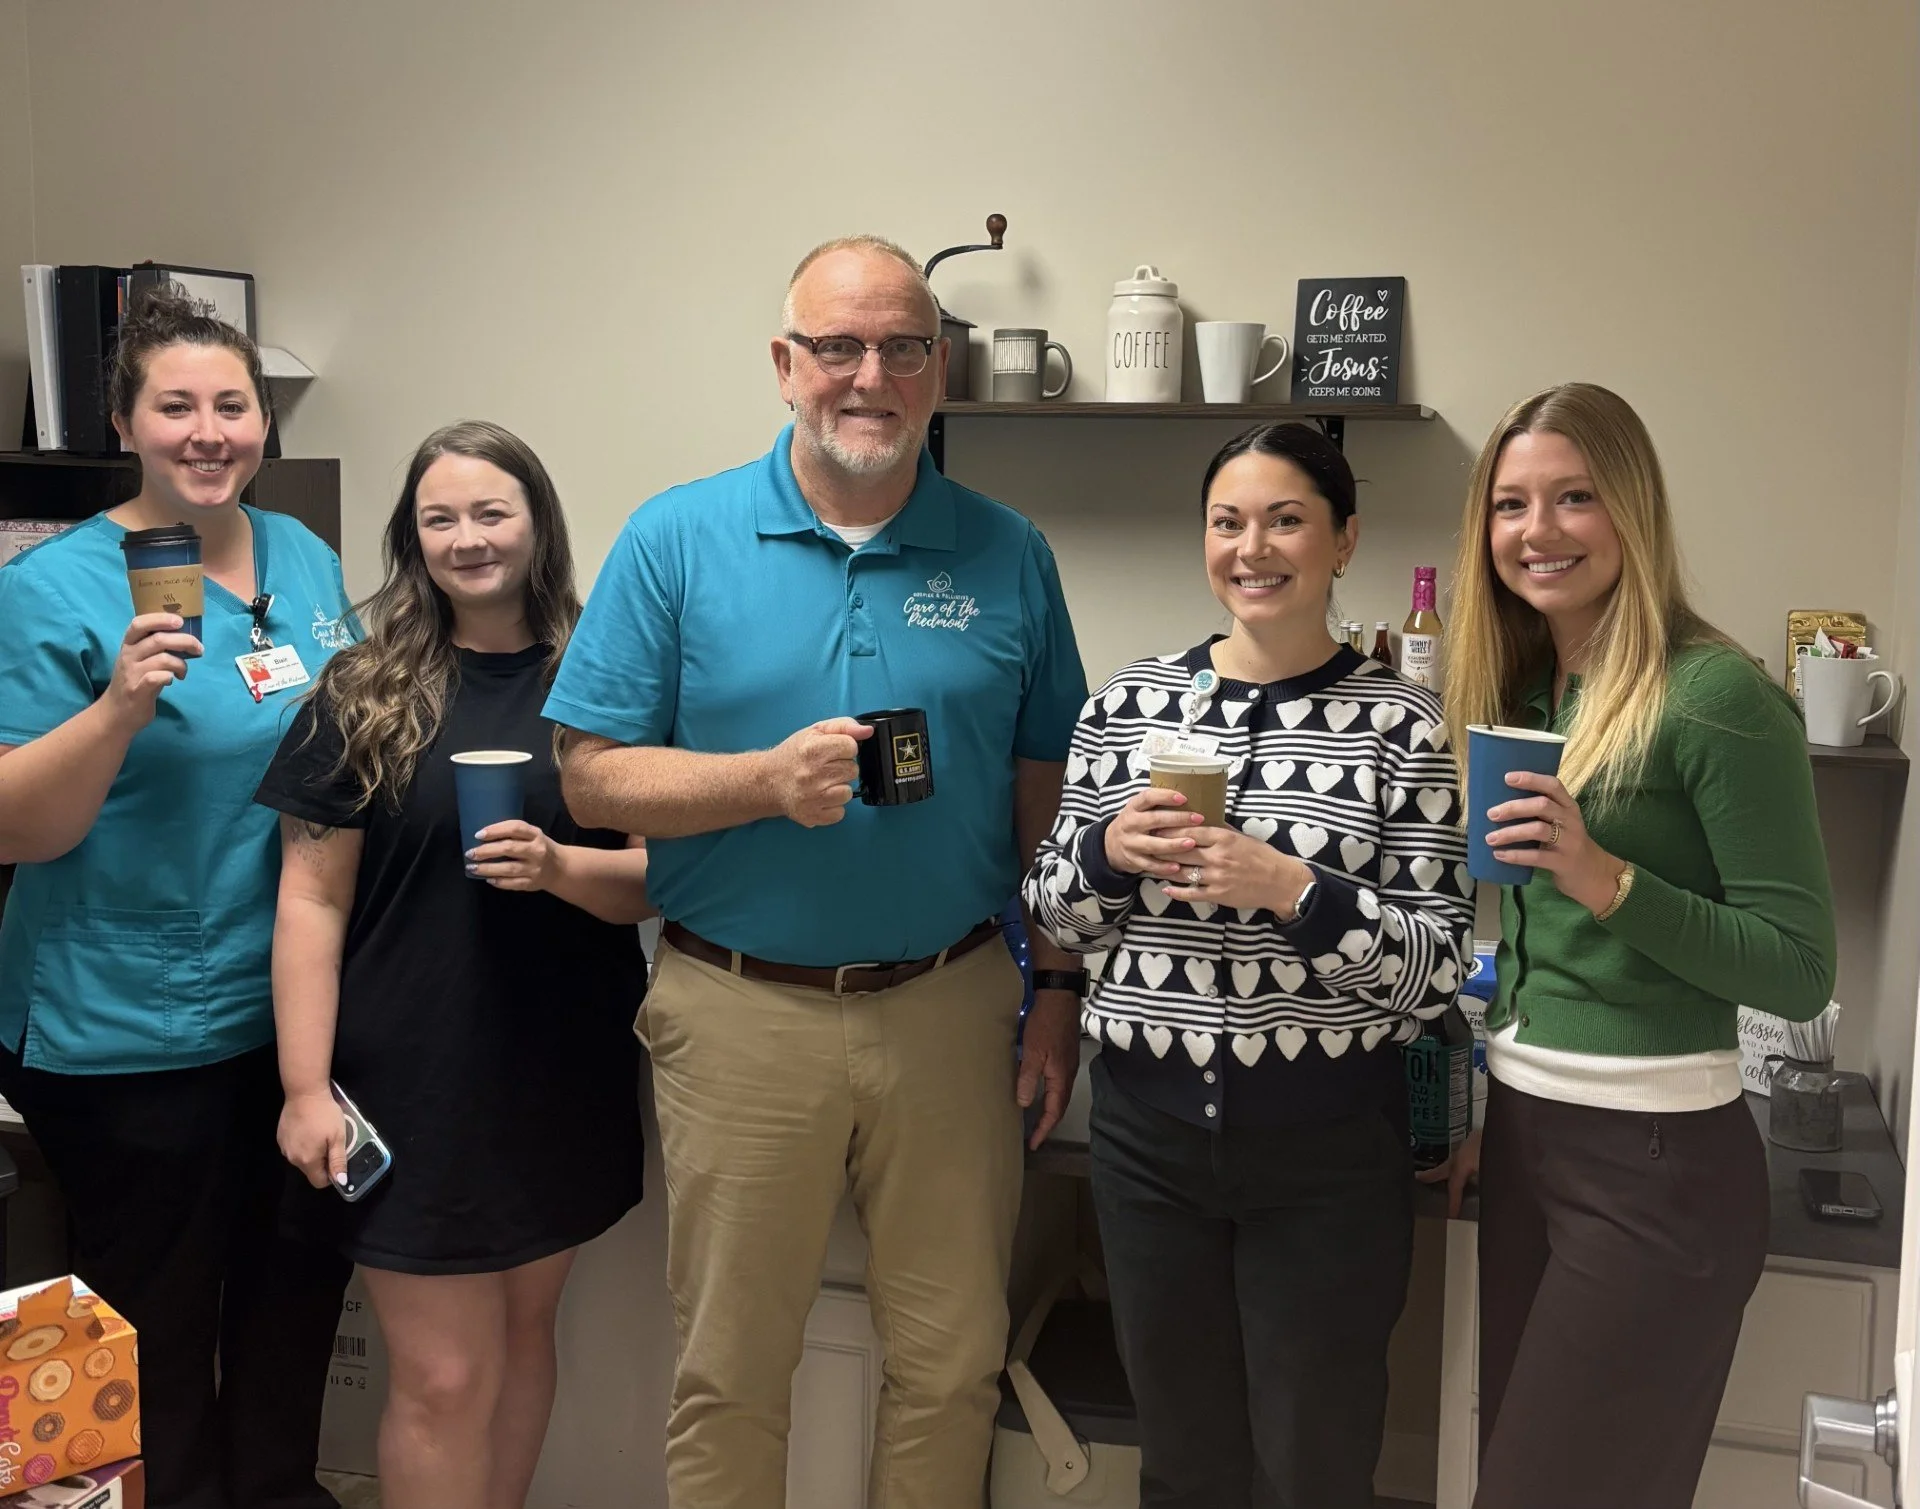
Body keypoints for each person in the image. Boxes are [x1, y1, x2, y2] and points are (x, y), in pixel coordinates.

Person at [543, 235, 1088, 1508]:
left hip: (953, 1007)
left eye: (903, 348)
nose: (870, 376)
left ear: (939, 370)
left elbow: (1044, 786)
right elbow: (589, 779)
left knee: (951, 1367)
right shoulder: (677, 539)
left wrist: (1057, 987)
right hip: (739, 1010)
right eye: (838, 347)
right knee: (731, 1374)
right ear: (785, 364)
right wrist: (760, 782)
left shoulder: (1008, 551)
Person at [1024, 422, 1474, 1509]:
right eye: (1227, 522)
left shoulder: (1401, 723)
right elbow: (1053, 912)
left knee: (1315, 1465)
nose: (1252, 548)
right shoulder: (1128, 704)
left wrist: (1293, 892)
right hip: (1148, 1144)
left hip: (1329, 1154)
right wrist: (1108, 854)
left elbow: (1438, 965)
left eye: (1286, 520)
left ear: (1343, 540)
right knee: (1181, 1461)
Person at [1422, 383, 1836, 1509]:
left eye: (1575, 497)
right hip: (1529, 1138)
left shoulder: (1716, 696)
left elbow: (1801, 968)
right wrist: (1500, 1104)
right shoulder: (1530, 690)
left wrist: (1607, 879)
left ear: (1633, 508)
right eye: (1511, 504)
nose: (1538, 531)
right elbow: (1539, 949)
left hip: (1656, 1166)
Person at [0, 283, 356, 1509]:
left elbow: (353, 740)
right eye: (176, 407)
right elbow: (21, 828)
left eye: (232, 406)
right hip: (128, 1030)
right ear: (123, 424)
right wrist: (117, 710)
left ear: (263, 421)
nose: (209, 432)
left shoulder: (301, 553)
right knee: (152, 1336)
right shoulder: (50, 590)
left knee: (292, 1306)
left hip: (293, 1012)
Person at [254, 422, 651, 1509]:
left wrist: (562, 866)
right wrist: (302, 1087)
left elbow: (661, 881)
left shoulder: (606, 681)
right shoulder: (363, 691)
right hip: (408, 1080)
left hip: (560, 1071)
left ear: (538, 525)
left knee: (524, 1341)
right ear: (413, 538)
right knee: (442, 1376)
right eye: (440, 519)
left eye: (491, 512)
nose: (468, 538)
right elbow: (309, 900)